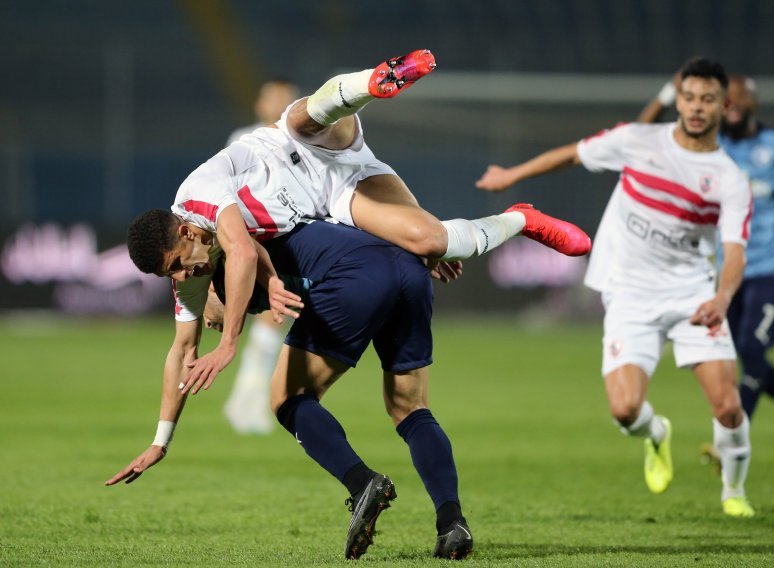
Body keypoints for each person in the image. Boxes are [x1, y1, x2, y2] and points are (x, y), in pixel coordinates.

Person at [124, 49, 592, 393]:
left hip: (301, 142)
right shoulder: (204, 261)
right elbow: (188, 337)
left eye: (183, 271)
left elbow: (243, 253)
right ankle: (521, 219)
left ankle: (375, 80)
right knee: (430, 241)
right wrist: (160, 440)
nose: (187, 278)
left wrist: (227, 343)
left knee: (310, 117)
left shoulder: (205, 200)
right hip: (333, 196)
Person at [475, 57, 756, 517]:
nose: (697, 107)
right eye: (689, 97)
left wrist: (722, 298)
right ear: (679, 99)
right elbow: (571, 153)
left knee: (727, 406)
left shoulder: (729, 178)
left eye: (708, 99)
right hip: (630, 291)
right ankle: (657, 435)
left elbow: (735, 251)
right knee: (625, 410)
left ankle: (734, 491)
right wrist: (513, 176)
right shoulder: (638, 140)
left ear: (723, 106)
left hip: (692, 294)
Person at [106, 218, 474, 560]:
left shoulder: (235, 225)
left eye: (175, 264)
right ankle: (451, 523)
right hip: (401, 263)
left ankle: (363, 484)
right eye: (169, 273)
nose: (181, 276)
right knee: (410, 408)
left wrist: (226, 330)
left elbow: (246, 258)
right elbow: (183, 351)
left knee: (286, 397)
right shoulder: (221, 242)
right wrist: (417, 244)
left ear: (186, 232)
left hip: (354, 275)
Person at [639, 73, 774, 463]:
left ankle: (730, 444)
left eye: (739, 98)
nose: (731, 104)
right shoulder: (711, 146)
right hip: (723, 271)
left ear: (753, 103)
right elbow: (641, 135)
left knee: (751, 349)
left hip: (767, 268)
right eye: (726, 99)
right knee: (746, 356)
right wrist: (665, 93)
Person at [224, 79, 300, 436]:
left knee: (275, 317)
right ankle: (249, 405)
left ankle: (244, 402)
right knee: (272, 314)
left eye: (287, 98)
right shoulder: (242, 138)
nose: (280, 103)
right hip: (254, 236)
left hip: (291, 235)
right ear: (260, 103)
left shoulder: (303, 138)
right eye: (274, 97)